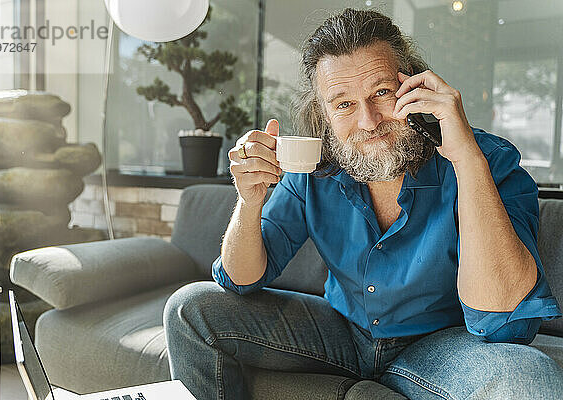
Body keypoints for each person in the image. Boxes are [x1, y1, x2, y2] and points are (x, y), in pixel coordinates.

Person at [164, 8, 563, 400]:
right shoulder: (314, 169)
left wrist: (465, 158)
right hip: (342, 331)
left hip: (441, 345)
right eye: (343, 104)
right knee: (189, 309)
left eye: (382, 92)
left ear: (415, 87)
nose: (369, 121)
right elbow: (241, 278)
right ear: (323, 115)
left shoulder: (487, 160)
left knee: (526, 379)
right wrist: (249, 203)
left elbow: (502, 319)